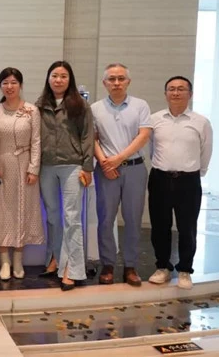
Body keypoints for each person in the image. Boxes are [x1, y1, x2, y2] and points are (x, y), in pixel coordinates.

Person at [148, 76, 213, 290]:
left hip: (188, 181)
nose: (176, 93)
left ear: (190, 94)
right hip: (160, 179)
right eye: (171, 89)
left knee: (187, 227)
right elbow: (151, 148)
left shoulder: (201, 122)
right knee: (160, 226)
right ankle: (162, 267)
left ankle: (185, 270)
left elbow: (206, 150)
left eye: (181, 89)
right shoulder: (155, 119)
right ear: (165, 93)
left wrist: (198, 172)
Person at [91, 63, 151, 287]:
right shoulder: (95, 108)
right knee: (106, 218)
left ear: (128, 81)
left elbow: (143, 135)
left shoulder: (140, 105)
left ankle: (130, 266)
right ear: (104, 82)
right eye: (112, 79)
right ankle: (107, 265)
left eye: (121, 78)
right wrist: (105, 162)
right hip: (106, 169)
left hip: (134, 168)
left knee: (133, 218)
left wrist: (118, 158)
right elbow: (92, 139)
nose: (116, 83)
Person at [36, 61, 94, 290]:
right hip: (46, 166)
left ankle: (72, 269)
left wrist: (87, 167)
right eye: (54, 75)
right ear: (48, 78)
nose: (58, 80)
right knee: (52, 216)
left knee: (72, 218)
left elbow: (88, 136)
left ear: (70, 79)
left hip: (72, 166)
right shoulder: (39, 105)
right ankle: (55, 259)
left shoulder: (80, 105)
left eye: (63, 76)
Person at [0, 67, 43, 282]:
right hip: (0, 168)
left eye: (13, 82)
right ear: (0, 86)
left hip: (25, 167)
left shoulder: (31, 110)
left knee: (23, 210)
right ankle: (4, 261)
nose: (9, 87)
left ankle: (18, 259)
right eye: (5, 83)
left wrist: (33, 168)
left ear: (20, 85)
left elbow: (36, 141)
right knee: (1, 212)